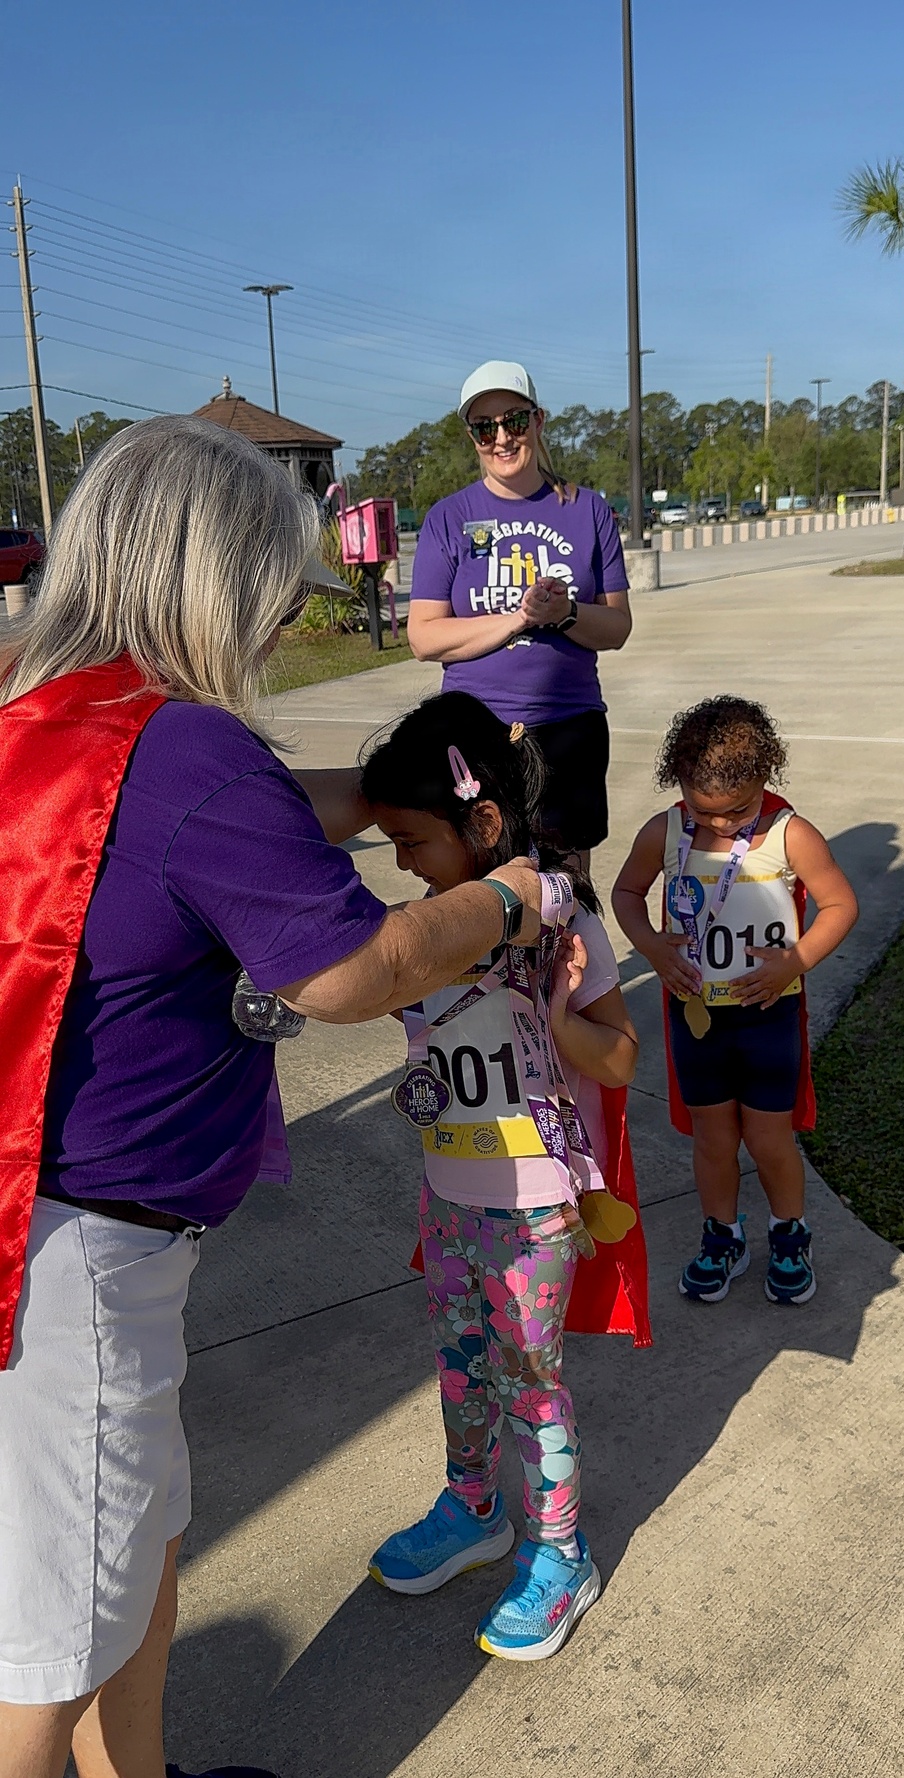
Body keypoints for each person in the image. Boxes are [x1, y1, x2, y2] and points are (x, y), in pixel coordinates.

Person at [0, 417, 547, 1778]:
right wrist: (502, 899)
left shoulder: (52, 705)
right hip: (84, 1263)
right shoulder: (187, 747)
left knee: (140, 1541)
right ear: (213, 575)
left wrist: (372, 790)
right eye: (275, 580)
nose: (285, 607)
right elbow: (352, 970)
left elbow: (211, 821)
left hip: (56, 1230)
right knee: (53, 1636)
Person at [359, 691, 649, 1662]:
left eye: (411, 837)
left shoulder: (566, 933)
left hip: (533, 1210)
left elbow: (620, 1059)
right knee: (459, 1367)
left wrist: (564, 1018)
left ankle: (559, 1551)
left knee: (531, 1379)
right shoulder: (425, 932)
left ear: (483, 824)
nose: (399, 859)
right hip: (448, 1199)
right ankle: (472, 1504)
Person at [612, 696, 857, 1306]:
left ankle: (789, 1232)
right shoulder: (664, 831)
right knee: (713, 1138)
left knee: (772, 1140)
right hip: (696, 1016)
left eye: (737, 810)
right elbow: (625, 892)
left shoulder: (789, 833)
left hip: (767, 1013)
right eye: (704, 809)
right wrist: (652, 947)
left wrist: (795, 961)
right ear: (681, 786)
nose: (720, 824)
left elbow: (840, 905)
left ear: (765, 780)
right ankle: (723, 1235)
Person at [406, 360, 632, 863]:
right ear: (472, 436)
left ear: (539, 421)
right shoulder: (448, 517)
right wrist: (521, 618)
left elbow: (617, 626)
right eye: (485, 427)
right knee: (481, 884)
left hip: (568, 727)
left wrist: (565, 612)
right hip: (475, 732)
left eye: (515, 420)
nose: (502, 437)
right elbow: (423, 637)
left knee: (566, 884)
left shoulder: (588, 510)